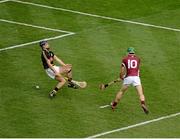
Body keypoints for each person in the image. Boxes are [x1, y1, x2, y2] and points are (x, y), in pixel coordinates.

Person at [111, 47, 149, 114]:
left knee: (121, 91)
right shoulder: (138, 59)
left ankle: (114, 105)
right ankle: (143, 103)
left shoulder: (124, 59)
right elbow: (136, 69)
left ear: (128, 52)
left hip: (128, 78)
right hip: (136, 78)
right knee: (141, 93)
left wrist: (121, 77)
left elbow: (122, 70)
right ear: (134, 52)